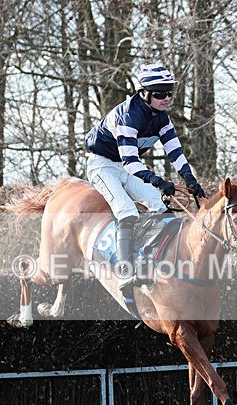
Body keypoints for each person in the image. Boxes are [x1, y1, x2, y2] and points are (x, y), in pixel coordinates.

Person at [85, 63, 206, 292]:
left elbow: (175, 151)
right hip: (102, 165)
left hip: (125, 165)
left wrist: (190, 179)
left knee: (159, 205)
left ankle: (155, 262)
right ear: (144, 93)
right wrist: (158, 181)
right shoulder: (129, 116)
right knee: (127, 212)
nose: (166, 98)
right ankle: (124, 271)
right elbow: (131, 162)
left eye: (169, 92)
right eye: (160, 93)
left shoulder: (161, 118)